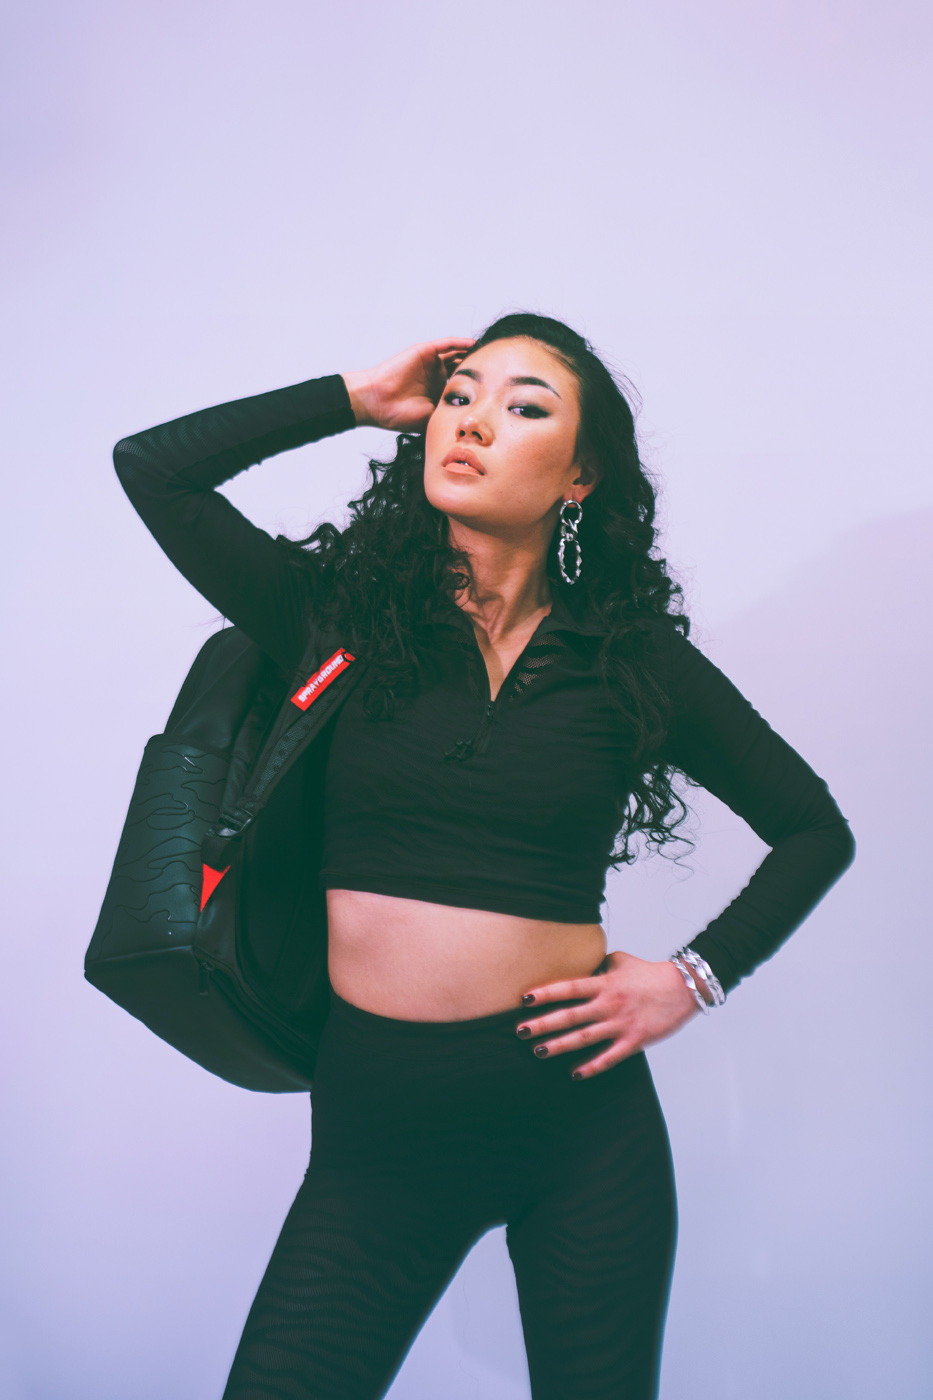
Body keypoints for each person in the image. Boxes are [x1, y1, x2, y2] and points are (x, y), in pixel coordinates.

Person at [113, 312, 854, 1400]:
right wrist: (354, 396)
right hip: (379, 1136)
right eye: (459, 397)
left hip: (582, 1128)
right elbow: (153, 470)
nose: (470, 422)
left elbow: (814, 827)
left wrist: (690, 979)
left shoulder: (631, 657)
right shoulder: (340, 618)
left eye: (523, 407)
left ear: (580, 475)